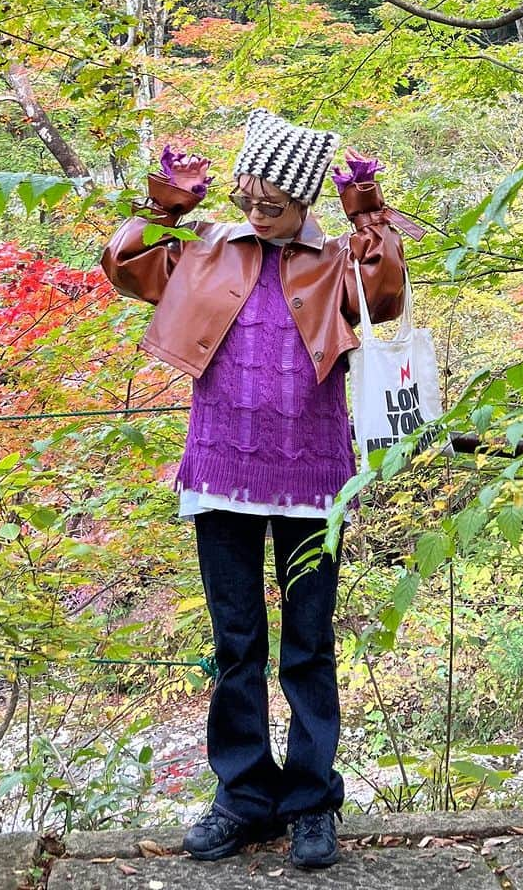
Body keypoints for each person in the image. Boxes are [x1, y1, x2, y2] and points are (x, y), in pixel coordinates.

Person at [101, 108, 406, 869]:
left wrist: (368, 212)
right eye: (250, 197)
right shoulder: (203, 249)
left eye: (275, 202)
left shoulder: (334, 260)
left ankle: (310, 803)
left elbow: (389, 295)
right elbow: (124, 267)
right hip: (220, 471)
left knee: (309, 644)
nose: (258, 212)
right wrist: (164, 204)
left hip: (313, 475)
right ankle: (241, 798)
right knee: (236, 643)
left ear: (304, 201)